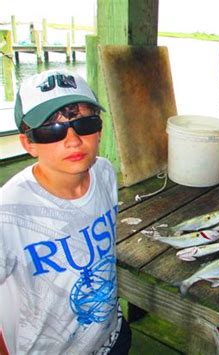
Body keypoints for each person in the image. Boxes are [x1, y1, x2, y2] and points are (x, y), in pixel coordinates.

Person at [0, 70, 131, 354]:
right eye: (51, 130)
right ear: (28, 143)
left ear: (100, 129)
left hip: (111, 337)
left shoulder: (105, 173)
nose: (73, 140)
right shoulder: (8, 213)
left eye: (84, 123)